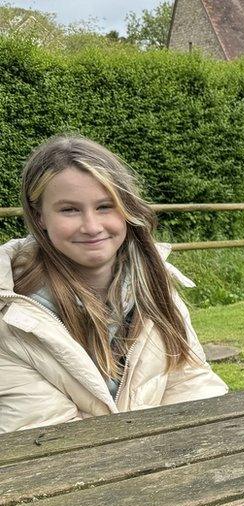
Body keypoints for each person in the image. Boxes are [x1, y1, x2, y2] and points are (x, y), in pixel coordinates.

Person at [0, 135, 227, 433]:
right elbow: (46, 436)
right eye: (69, 210)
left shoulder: (155, 284)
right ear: (40, 216)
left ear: (126, 208)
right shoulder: (13, 318)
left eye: (105, 206)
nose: (92, 227)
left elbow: (192, 384)